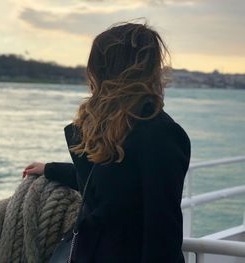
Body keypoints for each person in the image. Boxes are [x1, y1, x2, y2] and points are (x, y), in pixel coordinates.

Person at [23, 20, 191, 263]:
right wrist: (50, 169)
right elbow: (111, 191)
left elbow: (158, 229)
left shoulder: (147, 134)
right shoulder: (141, 132)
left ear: (100, 71)